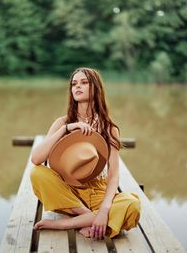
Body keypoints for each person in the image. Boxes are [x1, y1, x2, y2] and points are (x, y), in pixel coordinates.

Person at [30, 67, 140, 240]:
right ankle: (88, 217)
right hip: (68, 192)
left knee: (132, 204)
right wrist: (66, 129)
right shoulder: (62, 122)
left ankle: (69, 223)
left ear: (95, 87)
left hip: (98, 192)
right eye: (74, 84)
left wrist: (104, 210)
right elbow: (36, 159)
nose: (77, 87)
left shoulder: (109, 128)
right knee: (37, 173)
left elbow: (113, 175)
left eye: (84, 82)